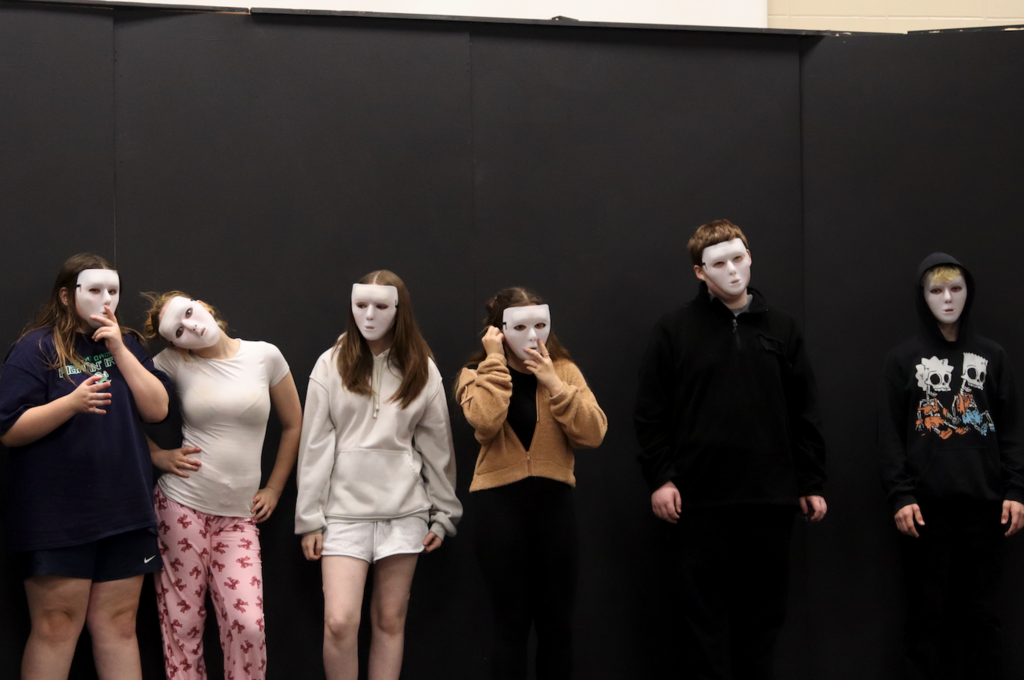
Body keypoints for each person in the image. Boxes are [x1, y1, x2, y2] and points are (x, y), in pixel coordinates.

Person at [634, 219, 827, 680]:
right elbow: (649, 414)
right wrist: (661, 477)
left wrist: (811, 481)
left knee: (762, 622)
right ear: (701, 272)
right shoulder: (674, 330)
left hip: (770, 501)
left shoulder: (782, 328)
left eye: (739, 258)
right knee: (702, 625)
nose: (733, 270)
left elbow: (806, 411)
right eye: (719, 263)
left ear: (750, 258)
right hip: (699, 505)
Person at [0, 253, 171, 680]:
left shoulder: (127, 343)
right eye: (94, 290)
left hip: (125, 510)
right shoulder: (36, 347)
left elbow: (157, 410)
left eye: (112, 291)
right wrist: (70, 405)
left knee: (118, 627)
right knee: (56, 627)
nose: (105, 300)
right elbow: (9, 429)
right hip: (57, 514)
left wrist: (116, 346)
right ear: (66, 294)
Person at [295, 270, 461, 680]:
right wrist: (309, 518)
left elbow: (438, 447)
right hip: (342, 515)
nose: (369, 315)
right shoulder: (330, 364)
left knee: (390, 620)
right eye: (361, 305)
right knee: (339, 622)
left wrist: (444, 513)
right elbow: (314, 445)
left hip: (404, 514)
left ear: (398, 310)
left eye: (381, 306)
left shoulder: (422, 369)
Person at [141, 291, 302, 679]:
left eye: (190, 314)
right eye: (178, 330)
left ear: (205, 306)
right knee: (182, 629)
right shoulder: (173, 362)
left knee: (247, 625)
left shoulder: (265, 355)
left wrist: (275, 489)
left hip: (238, 518)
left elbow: (294, 423)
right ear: (175, 341)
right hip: (181, 509)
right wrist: (157, 455)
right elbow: (119, 407)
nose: (191, 327)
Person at [878, 253, 1024, 680]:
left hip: (986, 508)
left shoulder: (992, 356)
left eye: (955, 289)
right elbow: (889, 434)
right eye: (937, 290)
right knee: (926, 618)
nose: (947, 299)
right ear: (923, 297)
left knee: (983, 618)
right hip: (926, 511)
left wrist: (1016, 489)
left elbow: (1012, 429)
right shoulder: (902, 360)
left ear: (968, 293)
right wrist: (900, 494)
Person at [455, 287, 607, 680]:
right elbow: (487, 422)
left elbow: (593, 433)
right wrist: (494, 363)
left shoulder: (565, 370)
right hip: (499, 512)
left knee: (558, 627)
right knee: (510, 627)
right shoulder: (473, 376)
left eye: (540, 324)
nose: (533, 335)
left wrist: (554, 382)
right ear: (498, 331)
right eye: (520, 326)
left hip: (554, 510)